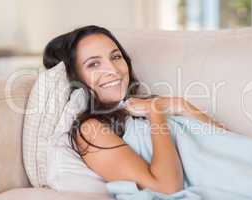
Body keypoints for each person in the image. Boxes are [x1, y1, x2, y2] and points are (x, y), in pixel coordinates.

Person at [43, 25, 227, 195]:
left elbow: (230, 142)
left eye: (116, 57)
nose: (113, 70)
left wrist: (181, 105)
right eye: (94, 64)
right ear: (74, 76)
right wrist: (156, 114)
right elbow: (166, 188)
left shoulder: (141, 105)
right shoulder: (90, 131)